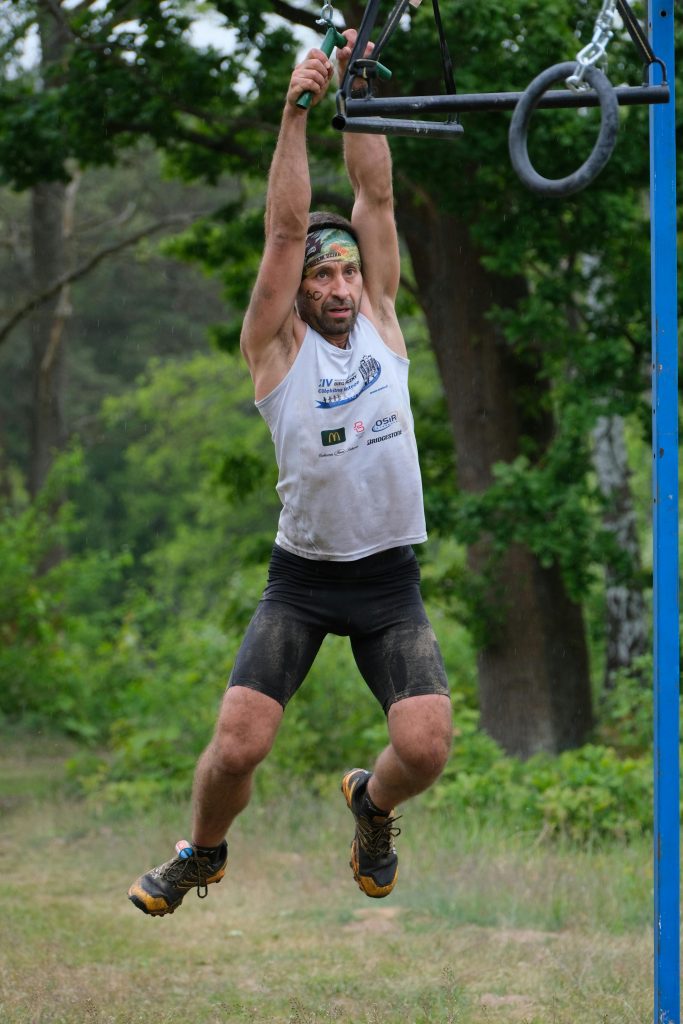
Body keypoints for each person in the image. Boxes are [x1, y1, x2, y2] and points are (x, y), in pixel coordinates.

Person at [127, 30, 452, 918]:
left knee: (424, 747)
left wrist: (360, 87)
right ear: (299, 291)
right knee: (238, 746)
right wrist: (295, 111)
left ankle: (370, 806)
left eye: (349, 270)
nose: (342, 285)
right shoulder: (274, 351)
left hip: (387, 578)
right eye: (324, 275)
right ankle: (200, 852)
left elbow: (375, 194)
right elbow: (282, 227)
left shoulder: (384, 321)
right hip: (304, 580)